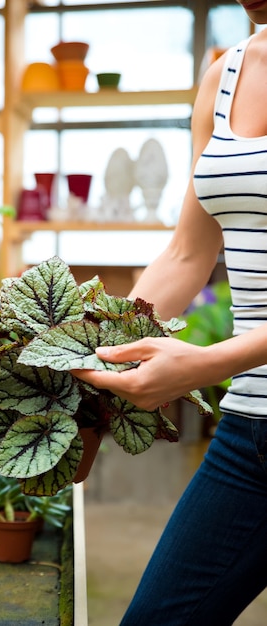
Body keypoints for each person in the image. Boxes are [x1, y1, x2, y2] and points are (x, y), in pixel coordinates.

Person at [73, 3, 267, 624]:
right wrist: (87, 357)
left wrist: (205, 364)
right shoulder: (226, 75)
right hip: (252, 435)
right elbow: (188, 253)